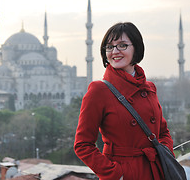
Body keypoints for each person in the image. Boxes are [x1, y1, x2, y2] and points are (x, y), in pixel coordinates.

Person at [74, 22, 174, 180]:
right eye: (109, 47)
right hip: (125, 174)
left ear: (136, 48)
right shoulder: (99, 90)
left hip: (156, 171)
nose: (114, 51)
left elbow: (162, 132)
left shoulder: (149, 88)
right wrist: (116, 174)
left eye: (122, 45)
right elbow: (83, 145)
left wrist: (165, 155)